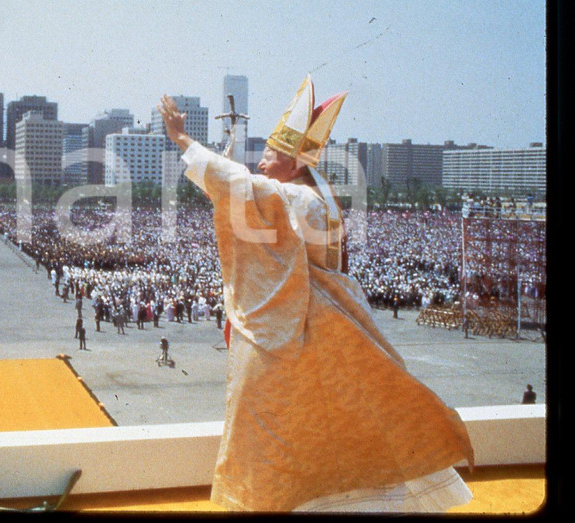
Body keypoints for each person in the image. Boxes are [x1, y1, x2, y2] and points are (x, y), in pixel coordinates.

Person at [158, 84, 473, 513]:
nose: (261, 164)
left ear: (289, 163)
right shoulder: (316, 196)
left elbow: (238, 187)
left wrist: (182, 139)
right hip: (330, 315)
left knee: (276, 419)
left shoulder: (298, 198)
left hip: (297, 321)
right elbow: (243, 191)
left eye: (268, 157)